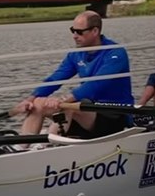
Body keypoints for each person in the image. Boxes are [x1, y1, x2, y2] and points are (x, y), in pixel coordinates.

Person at [13, 10, 133, 140]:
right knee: (37, 104)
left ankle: (46, 146)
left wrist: (63, 100)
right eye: (73, 30)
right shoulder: (76, 54)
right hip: (89, 110)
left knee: (69, 107)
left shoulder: (115, 53)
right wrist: (30, 99)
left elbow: (95, 85)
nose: (75, 36)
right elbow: (55, 78)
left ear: (95, 31)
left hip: (114, 114)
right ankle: (22, 146)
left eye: (79, 32)